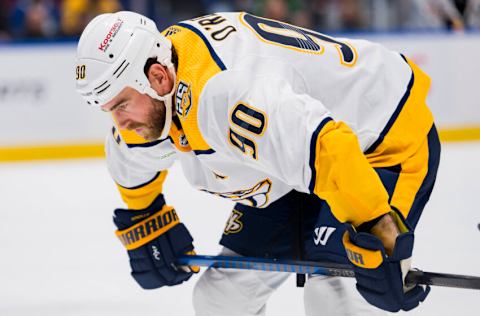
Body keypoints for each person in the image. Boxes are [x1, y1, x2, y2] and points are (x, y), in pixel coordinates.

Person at [75, 10, 440, 316]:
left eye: (121, 105)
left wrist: (383, 237)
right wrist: (145, 216)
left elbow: (330, 151)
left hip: (375, 137)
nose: (120, 123)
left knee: (333, 296)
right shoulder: (152, 93)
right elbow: (130, 159)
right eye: (109, 110)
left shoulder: (227, 94)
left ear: (158, 77)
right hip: (295, 159)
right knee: (220, 299)